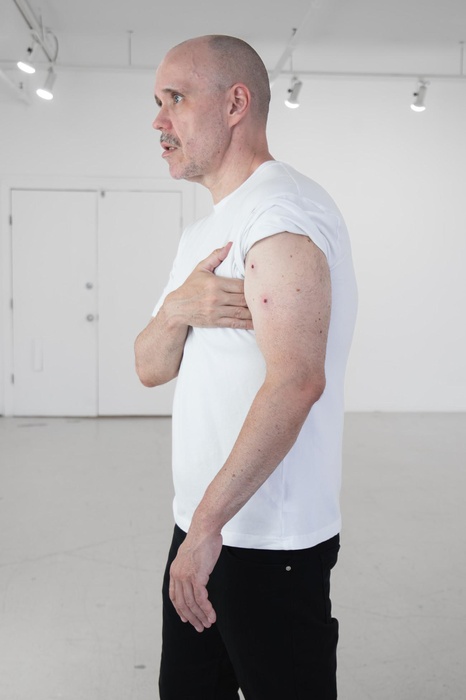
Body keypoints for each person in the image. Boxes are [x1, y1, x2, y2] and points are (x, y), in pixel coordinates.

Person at [135, 34, 357, 700]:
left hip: (266, 546)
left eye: (176, 98)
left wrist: (206, 529)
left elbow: (297, 382)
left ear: (236, 104)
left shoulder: (280, 214)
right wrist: (178, 309)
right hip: (200, 527)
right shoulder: (202, 232)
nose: (158, 121)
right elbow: (149, 367)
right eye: (157, 102)